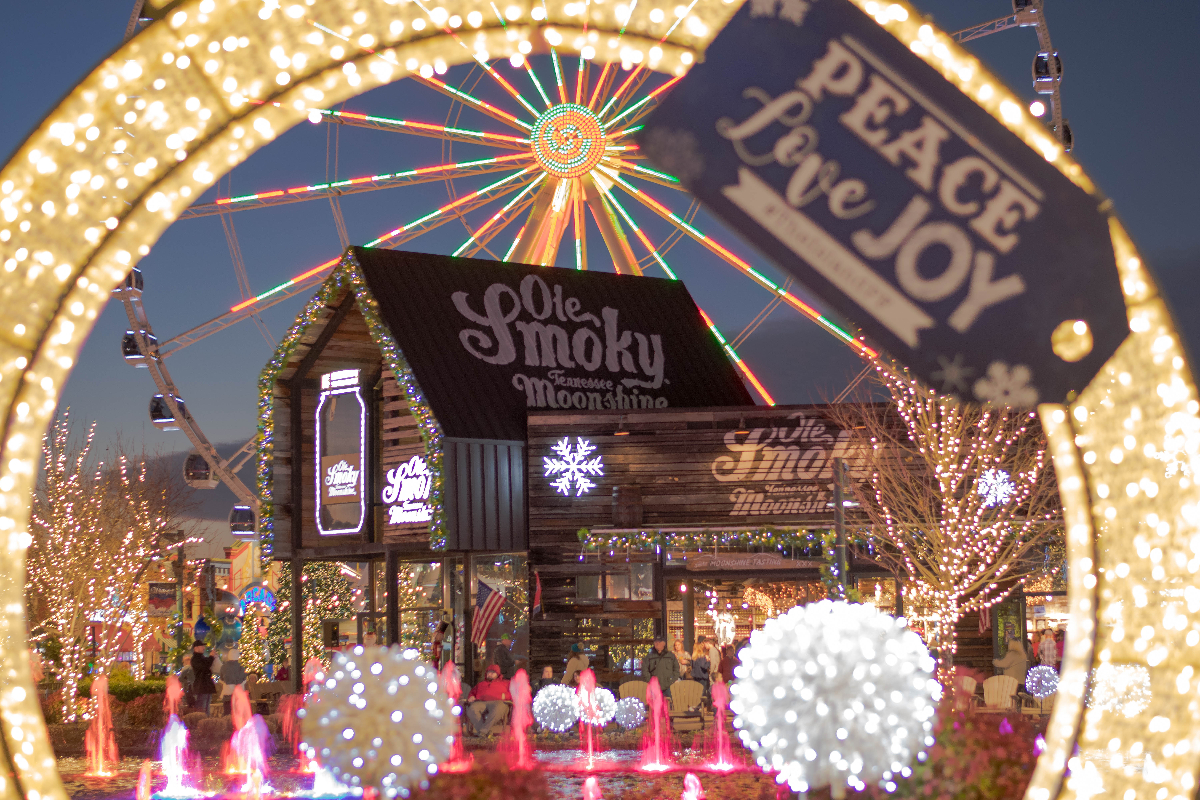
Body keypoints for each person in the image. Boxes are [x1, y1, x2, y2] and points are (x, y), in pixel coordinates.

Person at [463, 664, 510, 736]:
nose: (490, 674)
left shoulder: (505, 683)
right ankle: (485, 732)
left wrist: (505, 696)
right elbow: (472, 692)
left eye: (493, 673)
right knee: (472, 709)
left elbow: (514, 692)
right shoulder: (481, 684)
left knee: (498, 708)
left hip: (499, 702)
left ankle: (483, 731)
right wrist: (471, 696)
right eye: (488, 672)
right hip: (481, 702)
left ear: (497, 674)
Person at [191, 641, 216, 715]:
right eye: (202, 646)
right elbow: (204, 666)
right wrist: (211, 657)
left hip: (206, 686)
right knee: (203, 707)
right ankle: (202, 722)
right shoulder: (195, 659)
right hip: (202, 686)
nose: (203, 648)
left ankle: (206, 722)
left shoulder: (201, 657)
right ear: (196, 648)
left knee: (206, 706)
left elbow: (206, 664)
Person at [220, 648, 247, 716]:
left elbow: (221, 679)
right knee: (239, 715)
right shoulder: (241, 667)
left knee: (227, 713)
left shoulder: (224, 667)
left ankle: (228, 725)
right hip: (238, 693)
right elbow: (244, 678)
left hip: (227, 693)